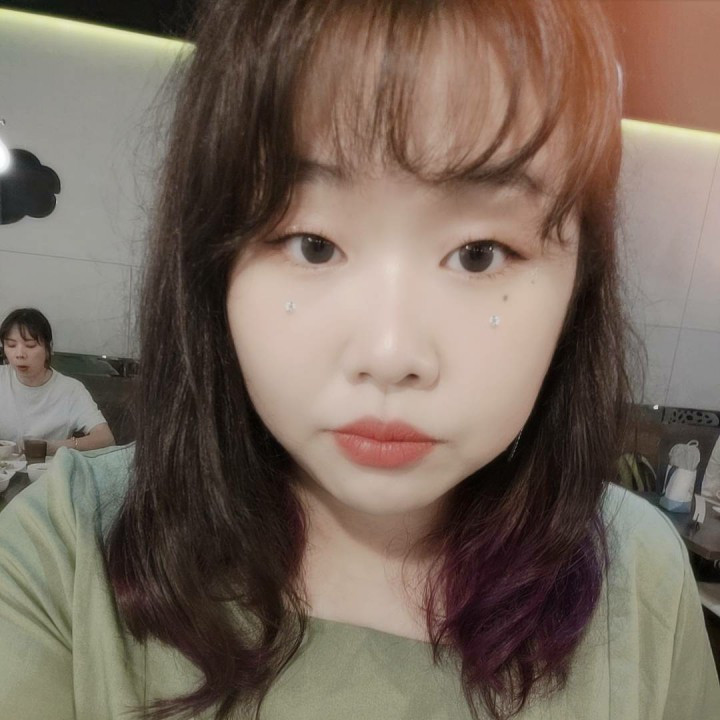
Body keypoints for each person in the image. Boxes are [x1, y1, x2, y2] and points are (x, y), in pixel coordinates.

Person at [0, 1, 718, 718]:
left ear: (579, 285)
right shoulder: (65, 556)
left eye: (479, 254)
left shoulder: (635, 577)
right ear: (211, 266)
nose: (389, 354)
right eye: (312, 245)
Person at [0, 307, 115, 454]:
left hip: (50, 467)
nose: (20, 354)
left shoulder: (70, 390)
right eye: (11, 345)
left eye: (30, 345)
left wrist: (55, 447)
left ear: (49, 349)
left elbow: (106, 439)